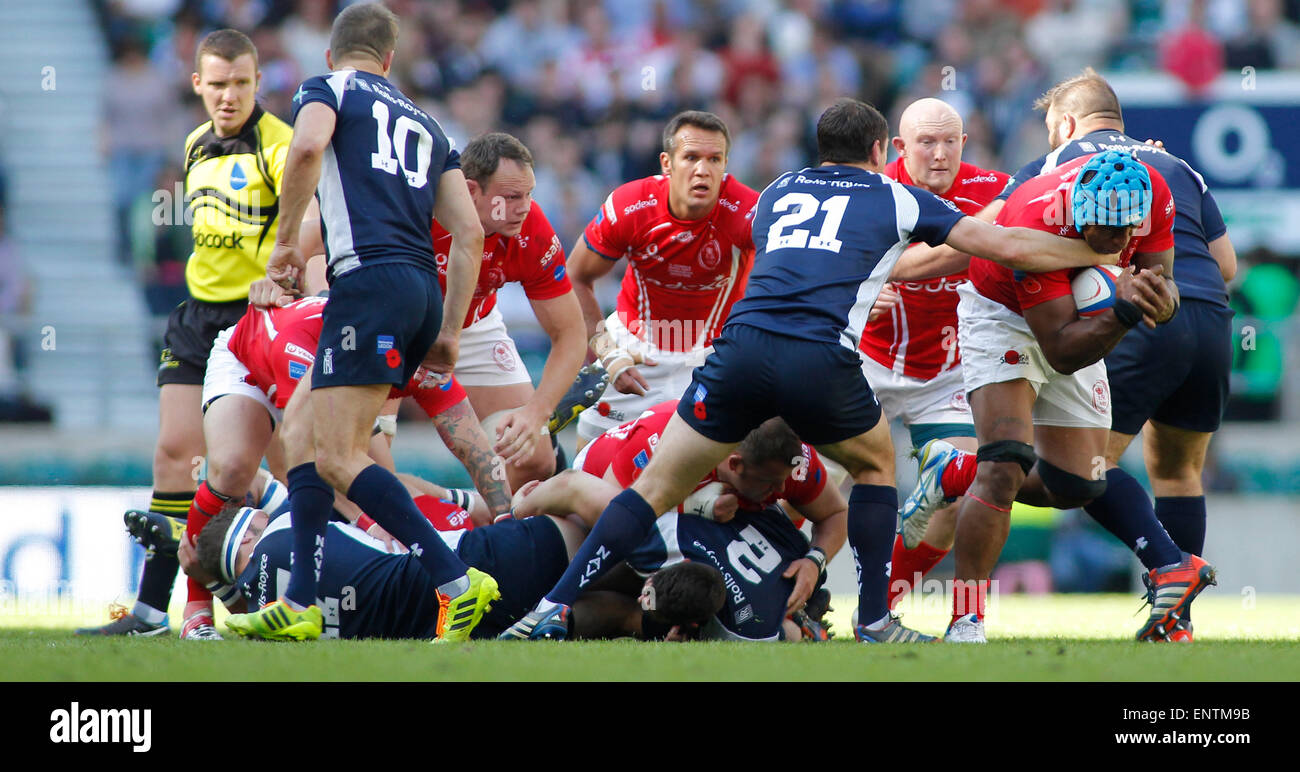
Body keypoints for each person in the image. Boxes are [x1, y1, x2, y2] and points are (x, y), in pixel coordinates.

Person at [501, 98, 1119, 643]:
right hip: (820, 358)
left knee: (652, 491)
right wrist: (1095, 251)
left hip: (736, 353)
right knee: (875, 467)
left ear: (818, 149)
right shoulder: (896, 195)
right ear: (882, 151)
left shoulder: (775, 191)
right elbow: (1006, 245)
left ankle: (554, 605)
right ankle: (874, 619)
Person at [222, 3, 493, 643]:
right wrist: (449, 332)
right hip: (420, 290)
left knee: (341, 459)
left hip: (366, 284)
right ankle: (303, 601)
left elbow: (309, 144)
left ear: (330, 53)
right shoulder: (427, 122)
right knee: (301, 432)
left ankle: (455, 581)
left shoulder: (330, 88)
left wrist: (285, 243)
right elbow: (471, 233)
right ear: (390, 60)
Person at [996, 69, 1237, 642]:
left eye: (1053, 130)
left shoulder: (1056, 167)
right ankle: (1176, 621)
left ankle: (969, 474)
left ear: (1067, 124)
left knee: (1078, 474)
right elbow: (1226, 266)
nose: (1052, 142)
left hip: (1141, 313)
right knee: (1178, 473)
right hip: (1207, 319)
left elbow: (1008, 237)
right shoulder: (1178, 167)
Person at [936, 148, 1215, 644]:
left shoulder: (1155, 197)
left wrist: (1160, 302)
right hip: (1003, 315)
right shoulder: (1039, 219)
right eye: (1100, 228)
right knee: (1004, 462)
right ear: (1078, 208)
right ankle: (966, 620)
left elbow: (1165, 284)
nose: (1111, 241)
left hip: (1082, 317)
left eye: (1121, 231)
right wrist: (1126, 312)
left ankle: (950, 469)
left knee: (1079, 485)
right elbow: (1062, 351)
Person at [77, 30, 294, 638]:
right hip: (198, 316)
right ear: (196, 84)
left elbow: (306, 230)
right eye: (218, 84)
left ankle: (305, 595)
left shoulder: (280, 147)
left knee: (274, 468)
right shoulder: (195, 145)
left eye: (242, 84)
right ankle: (149, 611)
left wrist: (285, 282)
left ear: (258, 82)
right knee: (173, 455)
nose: (229, 96)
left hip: (257, 325)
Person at [508, 401, 847, 639]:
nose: (781, 489)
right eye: (770, 483)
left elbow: (836, 513)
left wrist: (815, 561)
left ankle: (779, 615)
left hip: (680, 515)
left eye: (784, 481)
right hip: (603, 493)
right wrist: (697, 506)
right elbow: (617, 517)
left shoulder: (792, 462)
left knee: (713, 585)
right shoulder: (662, 441)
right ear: (734, 463)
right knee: (682, 591)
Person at [851, 98, 1009, 606]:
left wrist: (1139, 156)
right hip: (867, 363)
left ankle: (879, 610)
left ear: (965, 144)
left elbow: (1058, 187)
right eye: (926, 143)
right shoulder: (872, 192)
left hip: (947, 375)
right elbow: (824, 260)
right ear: (898, 147)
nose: (939, 154)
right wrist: (863, 292)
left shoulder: (995, 191)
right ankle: (794, 602)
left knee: (948, 502)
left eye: (950, 142)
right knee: (812, 483)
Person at [185, 499, 722, 640]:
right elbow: (280, 472)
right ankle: (684, 587)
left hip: (453, 624)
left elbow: (235, 594)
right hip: (473, 567)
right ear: (251, 530)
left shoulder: (263, 613)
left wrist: (203, 583)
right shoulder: (282, 531)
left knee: (613, 617)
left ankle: (657, 623)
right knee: (582, 520)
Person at [567, 111, 759, 445]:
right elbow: (576, 278)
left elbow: (789, 279)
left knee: (726, 479)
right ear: (666, 163)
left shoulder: (749, 212)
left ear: (726, 164)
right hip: (632, 352)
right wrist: (607, 352)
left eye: (715, 159)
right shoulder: (630, 205)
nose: (703, 170)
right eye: (691, 157)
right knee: (590, 473)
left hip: (708, 359)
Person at [429, 132, 586, 488]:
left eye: (529, 194)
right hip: (399, 327)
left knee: (533, 458)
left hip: (474, 327)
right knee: (371, 452)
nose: (525, 207)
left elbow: (571, 334)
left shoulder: (533, 230)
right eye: (512, 197)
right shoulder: (420, 205)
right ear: (470, 191)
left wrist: (537, 413)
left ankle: (474, 530)